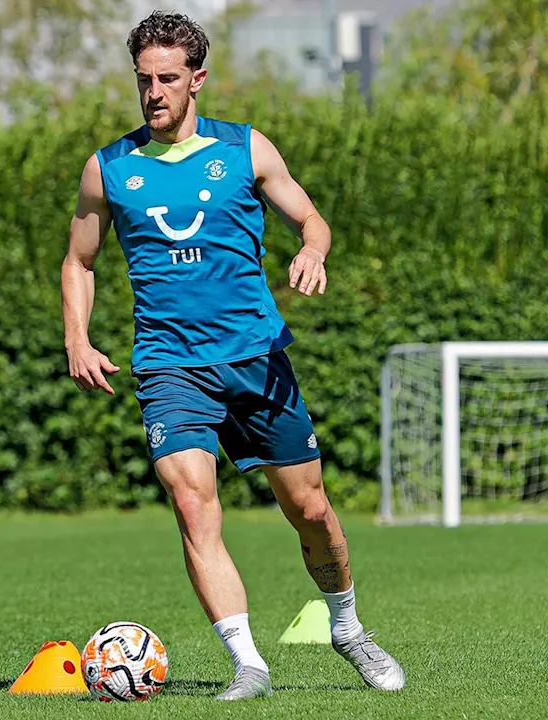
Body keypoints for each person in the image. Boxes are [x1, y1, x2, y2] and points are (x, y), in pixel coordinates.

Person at [59, 12, 404, 701]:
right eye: (143, 79)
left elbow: (311, 218)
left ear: (197, 80)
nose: (152, 92)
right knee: (192, 502)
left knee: (309, 510)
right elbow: (79, 260)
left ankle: (347, 627)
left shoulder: (246, 150)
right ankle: (248, 663)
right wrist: (77, 337)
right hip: (169, 364)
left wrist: (312, 249)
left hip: (256, 357)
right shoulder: (110, 167)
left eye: (166, 79)